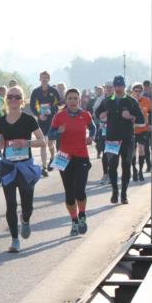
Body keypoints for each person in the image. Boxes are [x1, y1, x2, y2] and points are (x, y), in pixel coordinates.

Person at [0, 85, 46, 252]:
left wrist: (27, 143)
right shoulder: (0, 121)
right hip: (8, 167)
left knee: (27, 206)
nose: (13, 99)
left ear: (22, 101)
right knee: (10, 204)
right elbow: (2, 142)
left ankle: (25, 220)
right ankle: (14, 240)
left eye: (17, 97)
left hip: (25, 168)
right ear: (6, 100)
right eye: (10, 97)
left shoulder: (29, 120)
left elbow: (42, 141)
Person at [49, 89, 95, 235]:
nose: (73, 101)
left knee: (79, 190)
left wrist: (91, 137)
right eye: (70, 98)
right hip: (64, 158)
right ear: (66, 100)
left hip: (81, 156)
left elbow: (93, 127)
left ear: (79, 100)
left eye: (75, 98)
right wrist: (58, 132)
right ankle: (74, 221)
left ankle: (82, 215)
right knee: (69, 193)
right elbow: (50, 134)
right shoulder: (59, 116)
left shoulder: (85, 115)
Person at [95, 75, 145, 204]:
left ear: (124, 86)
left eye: (120, 86)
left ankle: (124, 194)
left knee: (126, 167)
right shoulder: (107, 101)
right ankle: (114, 192)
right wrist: (101, 115)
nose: (118, 88)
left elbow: (141, 119)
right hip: (112, 139)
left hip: (127, 139)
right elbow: (97, 113)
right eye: (115, 86)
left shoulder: (131, 101)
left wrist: (130, 116)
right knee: (112, 167)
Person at [29, 70, 61, 175]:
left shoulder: (54, 91)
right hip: (41, 121)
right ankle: (44, 167)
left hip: (52, 121)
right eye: (42, 77)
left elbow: (58, 104)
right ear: (39, 79)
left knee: (51, 143)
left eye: (46, 77)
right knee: (43, 143)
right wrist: (39, 115)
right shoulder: (35, 92)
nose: (44, 79)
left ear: (49, 79)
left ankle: (52, 157)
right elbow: (32, 106)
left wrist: (51, 110)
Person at [130, 82, 152, 180]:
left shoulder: (147, 101)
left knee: (141, 149)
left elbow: (151, 113)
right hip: (131, 130)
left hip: (143, 129)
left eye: (140, 91)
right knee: (132, 152)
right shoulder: (129, 101)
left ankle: (140, 171)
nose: (138, 93)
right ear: (133, 92)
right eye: (136, 91)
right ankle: (134, 170)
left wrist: (151, 125)